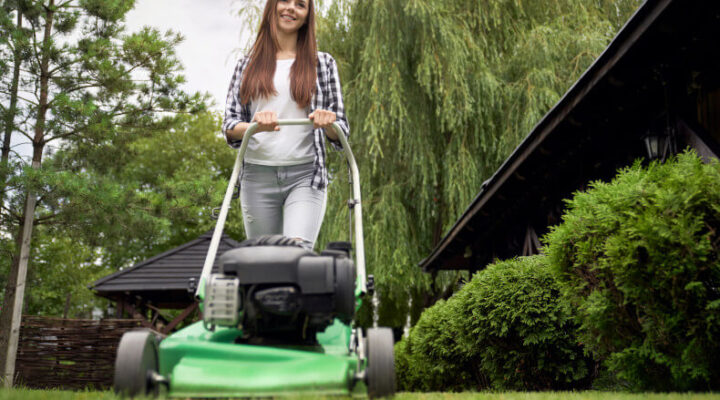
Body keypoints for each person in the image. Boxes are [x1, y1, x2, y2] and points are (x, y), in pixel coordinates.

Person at [222, 0, 349, 250]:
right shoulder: (246, 65)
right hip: (257, 176)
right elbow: (229, 125)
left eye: (300, 5)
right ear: (273, 7)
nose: (291, 8)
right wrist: (254, 126)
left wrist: (327, 123)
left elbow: (341, 131)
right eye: (285, 1)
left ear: (306, 17)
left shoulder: (322, 63)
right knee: (263, 259)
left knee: (297, 256)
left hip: (305, 176)